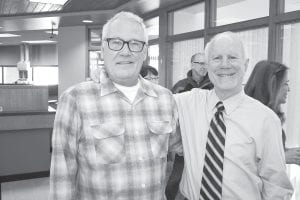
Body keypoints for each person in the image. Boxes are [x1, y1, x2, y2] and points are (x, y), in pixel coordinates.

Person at [49, 11, 182, 200]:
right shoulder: (75, 99)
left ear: (144, 52)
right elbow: (62, 178)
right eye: (116, 42)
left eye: (135, 43)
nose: (125, 51)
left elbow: (183, 146)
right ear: (103, 49)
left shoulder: (165, 99)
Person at [174, 32, 293, 199]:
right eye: (216, 58)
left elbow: (276, 187)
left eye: (232, 57)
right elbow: (149, 99)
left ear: (245, 64)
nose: (225, 65)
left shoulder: (266, 120)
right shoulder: (187, 103)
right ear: (207, 66)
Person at [166, 52, 213, 200]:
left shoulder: (213, 85)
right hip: (184, 139)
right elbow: (171, 113)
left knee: (204, 179)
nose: (203, 67)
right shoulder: (180, 86)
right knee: (175, 179)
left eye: (206, 63)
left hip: (206, 140)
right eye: (200, 63)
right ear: (192, 65)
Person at [245, 60, 300, 166]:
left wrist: (291, 154)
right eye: (285, 84)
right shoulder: (250, 117)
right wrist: (283, 157)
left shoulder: (270, 116)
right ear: (272, 86)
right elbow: (243, 160)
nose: (289, 89)